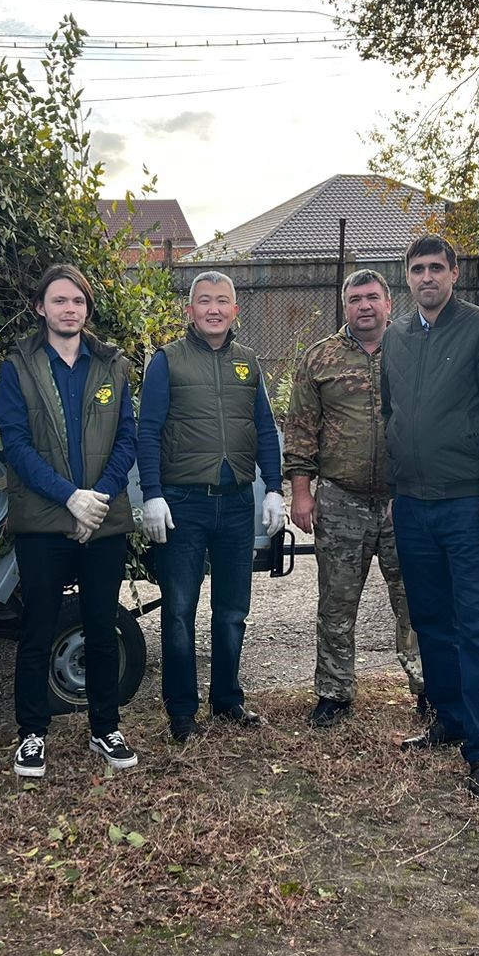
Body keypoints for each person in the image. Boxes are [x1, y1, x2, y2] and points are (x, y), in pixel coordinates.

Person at [382, 237, 479, 797]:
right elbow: (393, 413)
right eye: (416, 269)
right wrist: (398, 487)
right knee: (432, 619)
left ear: (454, 273)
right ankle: (448, 718)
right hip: (414, 504)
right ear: (408, 278)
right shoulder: (396, 336)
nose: (426, 278)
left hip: (471, 506)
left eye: (435, 268)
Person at [0, 264, 139, 780]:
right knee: (37, 630)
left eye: (77, 301)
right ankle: (32, 734)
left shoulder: (111, 366)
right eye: (58, 301)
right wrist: (68, 498)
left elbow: (128, 437)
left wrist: (97, 497)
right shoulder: (19, 368)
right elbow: (16, 444)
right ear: (41, 308)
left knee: (102, 627)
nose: (69, 309)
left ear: (86, 309)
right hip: (43, 521)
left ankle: (106, 727)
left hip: (104, 517)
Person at [137, 270, 286, 743]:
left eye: (223, 301)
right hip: (182, 503)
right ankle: (182, 711)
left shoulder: (249, 363)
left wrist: (276, 488)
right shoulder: (167, 361)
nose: (214, 309)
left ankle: (227, 700)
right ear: (191, 310)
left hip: (237, 502)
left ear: (235, 310)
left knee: (231, 610)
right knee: (179, 609)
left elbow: (264, 428)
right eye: (205, 301)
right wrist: (152, 494)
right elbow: (148, 431)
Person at [283, 268, 425, 728]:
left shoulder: (413, 348)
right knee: (337, 603)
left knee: (415, 600)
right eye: (355, 299)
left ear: (389, 303)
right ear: (344, 307)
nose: (364, 306)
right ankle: (334, 692)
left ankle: (429, 689)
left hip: (403, 501)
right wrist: (301, 492)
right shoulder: (319, 359)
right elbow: (301, 429)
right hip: (341, 500)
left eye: (372, 298)